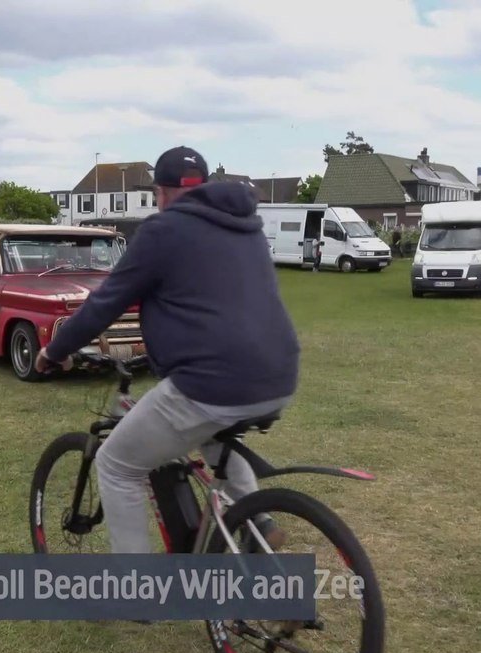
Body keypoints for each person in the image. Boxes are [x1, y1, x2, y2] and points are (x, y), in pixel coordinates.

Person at [34, 146, 301, 554]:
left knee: (116, 465)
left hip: (211, 380)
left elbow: (108, 301)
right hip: (277, 371)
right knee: (214, 436)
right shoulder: (244, 225)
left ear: (161, 192)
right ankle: (257, 523)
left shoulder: (163, 231)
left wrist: (55, 351)